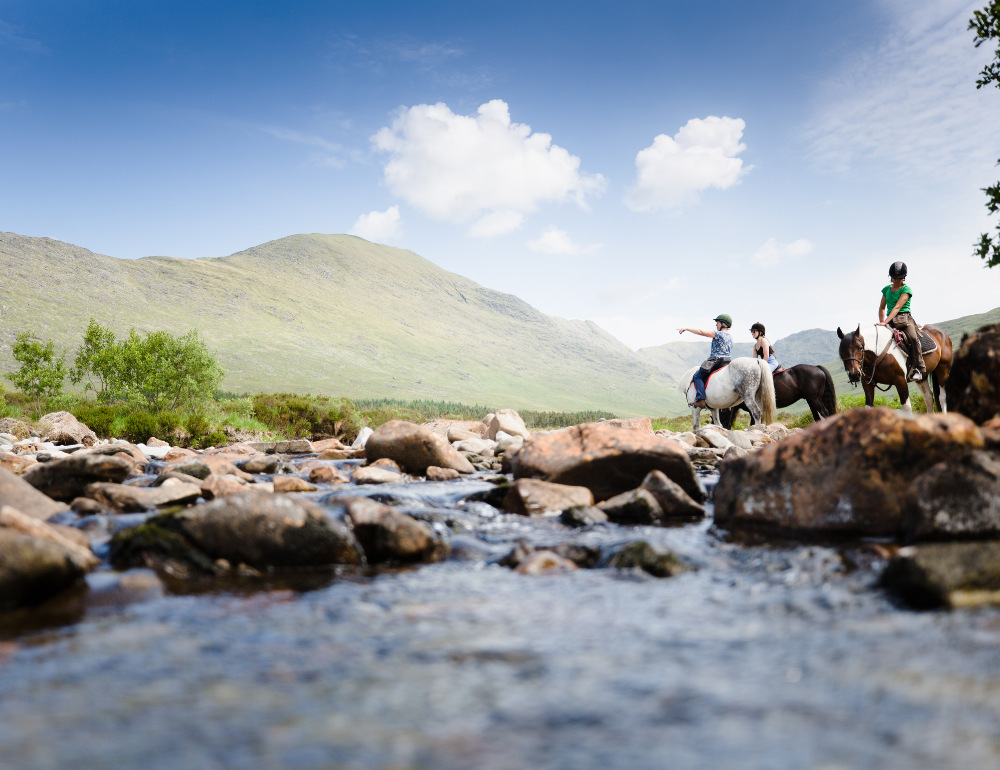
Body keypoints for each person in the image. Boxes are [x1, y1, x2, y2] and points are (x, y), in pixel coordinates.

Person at [877, 261, 926, 382]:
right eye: (894, 277)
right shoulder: (886, 289)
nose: (896, 280)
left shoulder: (906, 289)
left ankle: (919, 368)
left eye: (898, 278)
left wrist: (885, 322)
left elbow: (897, 307)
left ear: (903, 277)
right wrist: (882, 322)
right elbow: (882, 307)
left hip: (904, 318)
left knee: (913, 338)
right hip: (890, 320)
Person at [678, 314, 733, 408]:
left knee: (697, 376)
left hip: (716, 360)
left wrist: (687, 328)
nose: (716, 325)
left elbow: (700, 332)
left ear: (723, 324)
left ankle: (701, 399)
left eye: (718, 323)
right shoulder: (730, 336)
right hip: (727, 361)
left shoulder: (719, 334)